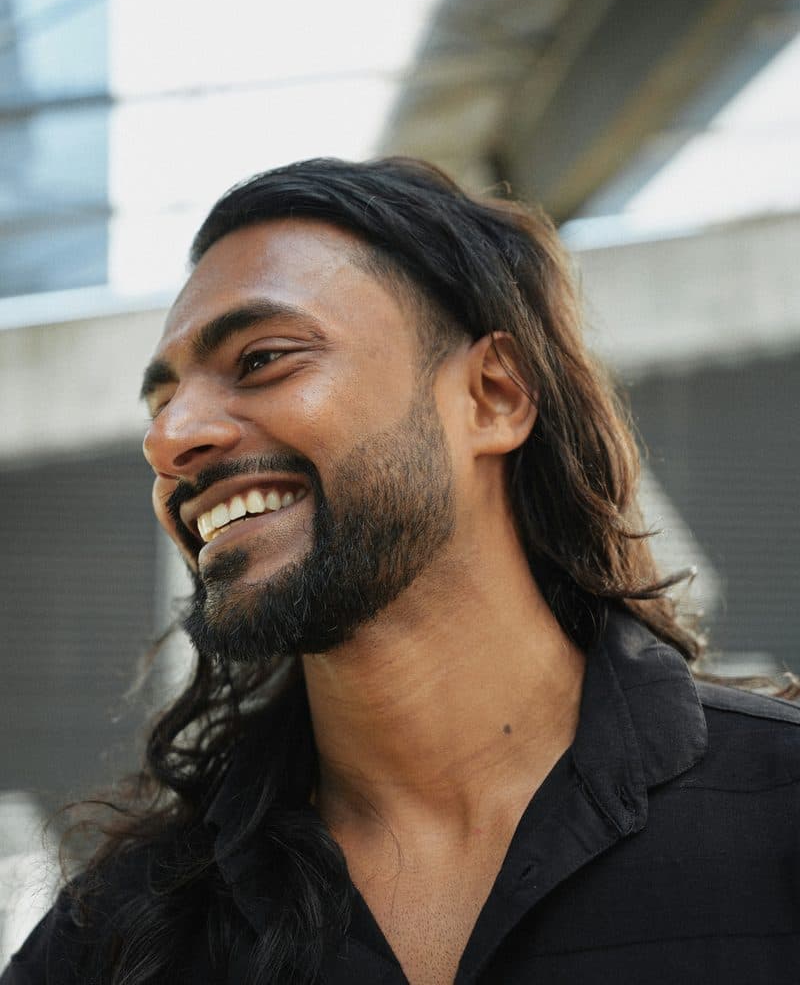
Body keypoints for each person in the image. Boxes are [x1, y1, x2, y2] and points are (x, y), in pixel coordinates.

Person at [3, 157, 800, 985]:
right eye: (160, 403)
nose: (169, 440)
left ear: (492, 395)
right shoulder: (115, 941)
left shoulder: (779, 816)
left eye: (263, 358)